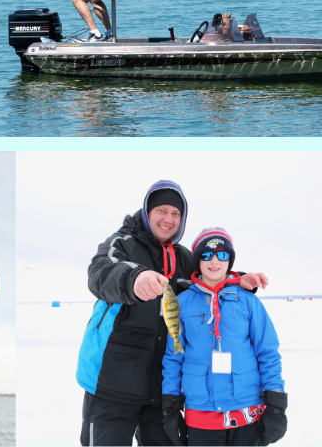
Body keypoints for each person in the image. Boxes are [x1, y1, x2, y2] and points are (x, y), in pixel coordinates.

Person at [77, 181, 269, 446]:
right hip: (112, 383)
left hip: (161, 388)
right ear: (146, 211)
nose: (168, 219)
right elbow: (100, 272)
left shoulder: (184, 257)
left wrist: (238, 279)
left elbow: (209, 276)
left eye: (176, 214)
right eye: (161, 211)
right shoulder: (121, 244)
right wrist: (135, 277)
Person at [162, 228, 287, 447]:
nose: (215, 261)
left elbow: (267, 353)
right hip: (201, 413)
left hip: (247, 411)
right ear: (197, 261)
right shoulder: (181, 302)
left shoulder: (249, 302)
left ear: (230, 260)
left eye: (222, 254)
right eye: (207, 255)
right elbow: (173, 357)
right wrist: (170, 404)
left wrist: (276, 403)